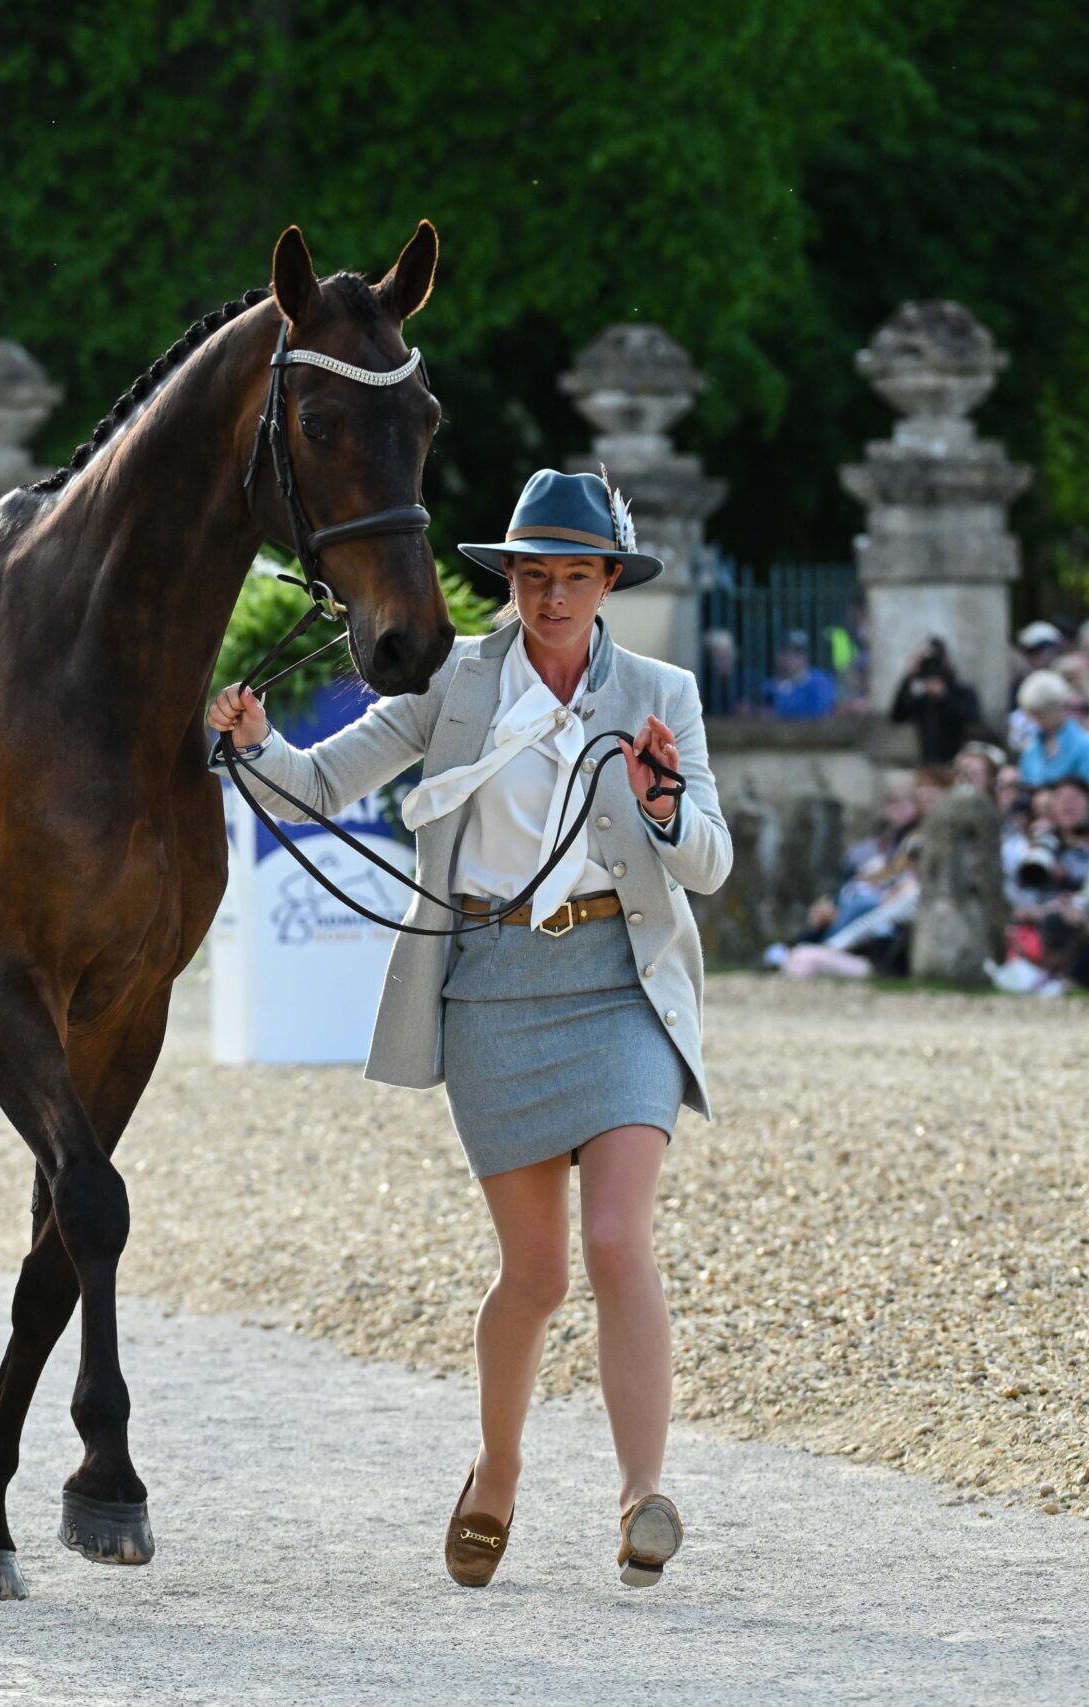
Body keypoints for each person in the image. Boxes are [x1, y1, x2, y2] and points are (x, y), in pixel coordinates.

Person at [207, 467, 729, 1592]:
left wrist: (663, 804)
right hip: (490, 985)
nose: (551, 598)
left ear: (607, 583)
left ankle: (642, 1495)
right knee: (535, 1274)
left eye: (574, 578)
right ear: (509, 578)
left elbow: (709, 863)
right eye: (533, 577)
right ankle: (496, 1470)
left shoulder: (658, 693)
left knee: (615, 1240)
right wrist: (251, 743)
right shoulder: (455, 679)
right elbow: (321, 782)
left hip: (621, 981)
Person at [888, 637, 982, 765]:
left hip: (955, 761)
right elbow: (896, 716)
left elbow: (973, 716)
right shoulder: (921, 697)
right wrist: (908, 676)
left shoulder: (959, 690)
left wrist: (945, 695)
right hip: (927, 763)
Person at [1013, 669, 1089, 790]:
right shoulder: (1031, 746)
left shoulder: (1084, 744)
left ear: (1056, 709)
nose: (1034, 721)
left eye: (1039, 714)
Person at [767, 630, 838, 719]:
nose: (791, 657)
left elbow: (819, 711)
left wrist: (779, 713)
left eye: (798, 652)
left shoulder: (820, 681)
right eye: (786, 651)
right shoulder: (770, 686)